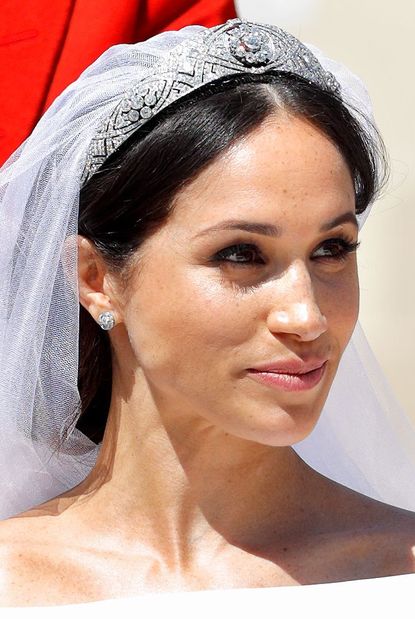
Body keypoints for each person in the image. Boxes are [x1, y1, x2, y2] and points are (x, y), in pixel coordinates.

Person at [1, 18, 415, 608]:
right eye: (241, 254)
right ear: (97, 279)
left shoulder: (399, 572)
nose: (307, 317)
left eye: (332, 249)